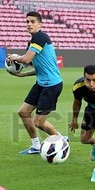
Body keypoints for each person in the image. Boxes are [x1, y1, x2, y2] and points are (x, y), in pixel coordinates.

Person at [7, 11, 65, 154]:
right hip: (41, 83)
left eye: (32, 22)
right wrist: (22, 74)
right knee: (23, 112)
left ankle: (61, 140)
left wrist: (16, 57)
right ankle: (35, 146)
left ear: (40, 24)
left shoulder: (40, 37)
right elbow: (38, 67)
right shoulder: (33, 40)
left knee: (39, 122)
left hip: (51, 85)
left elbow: (26, 60)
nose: (29, 24)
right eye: (27, 22)